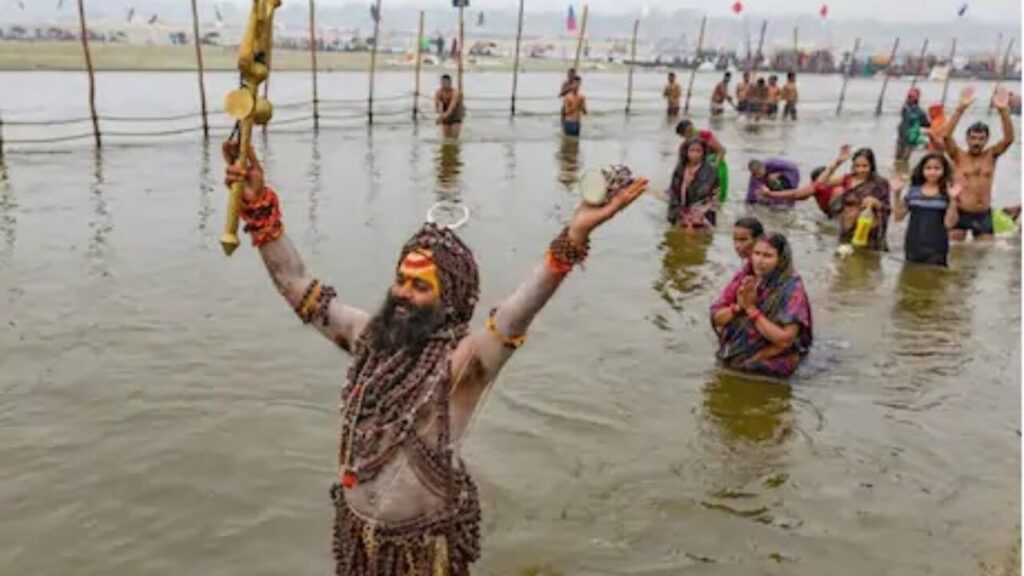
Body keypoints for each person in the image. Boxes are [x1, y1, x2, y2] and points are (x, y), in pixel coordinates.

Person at [222, 141, 648, 576]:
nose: (404, 293)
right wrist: (259, 206)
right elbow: (296, 285)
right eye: (401, 281)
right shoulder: (369, 340)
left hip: (423, 553)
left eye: (420, 286)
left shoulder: (462, 366)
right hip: (357, 542)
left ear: (451, 303)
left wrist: (574, 235)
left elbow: (518, 313)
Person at [710, 233, 813, 378]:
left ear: (781, 260)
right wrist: (738, 307)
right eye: (756, 254)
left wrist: (751, 309)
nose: (759, 261)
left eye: (767, 256)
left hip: (770, 359)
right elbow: (716, 318)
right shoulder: (746, 277)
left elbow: (785, 340)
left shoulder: (791, 289)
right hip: (735, 353)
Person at [942, 86, 1016, 241]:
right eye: (973, 138)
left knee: (984, 253)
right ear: (967, 139)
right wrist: (960, 109)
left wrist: (1003, 111)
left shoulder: (991, 155)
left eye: (981, 138)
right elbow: (946, 136)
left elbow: (1009, 139)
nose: (976, 142)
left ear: (986, 140)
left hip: (983, 213)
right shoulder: (957, 155)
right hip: (960, 211)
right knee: (956, 253)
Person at [889, 153, 962, 267]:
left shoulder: (947, 193)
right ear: (922, 170)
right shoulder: (913, 191)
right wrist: (897, 193)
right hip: (913, 246)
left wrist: (953, 200)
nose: (932, 172)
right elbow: (898, 217)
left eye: (937, 168)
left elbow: (949, 224)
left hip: (937, 249)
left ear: (944, 170)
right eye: (928, 168)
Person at [817, 145, 892, 250]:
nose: (860, 170)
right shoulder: (848, 179)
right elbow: (820, 183)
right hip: (847, 228)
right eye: (857, 166)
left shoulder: (880, 183)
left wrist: (875, 202)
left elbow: (887, 209)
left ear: (872, 165)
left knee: (865, 263)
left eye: (865, 166)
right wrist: (837, 162)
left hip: (867, 231)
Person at [667, 138, 720, 230]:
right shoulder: (680, 169)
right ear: (686, 152)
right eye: (692, 150)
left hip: (701, 215)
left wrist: (689, 184)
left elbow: (706, 194)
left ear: (703, 153)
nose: (695, 154)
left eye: (698, 151)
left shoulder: (710, 171)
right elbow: (673, 192)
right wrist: (677, 212)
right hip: (680, 213)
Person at [757, 165, 844, 219]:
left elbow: (796, 195)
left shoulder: (839, 186)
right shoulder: (818, 187)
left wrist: (770, 194)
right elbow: (797, 195)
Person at [675, 119, 729, 202]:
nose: (692, 133)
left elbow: (721, 150)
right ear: (682, 135)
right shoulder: (684, 146)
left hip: (717, 166)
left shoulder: (705, 135)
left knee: (718, 196)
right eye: (688, 132)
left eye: (692, 129)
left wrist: (714, 166)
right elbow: (683, 165)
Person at [896, 88, 930, 164]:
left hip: (911, 138)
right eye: (908, 96)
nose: (909, 98)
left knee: (904, 160)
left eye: (911, 96)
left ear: (917, 98)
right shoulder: (905, 107)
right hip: (902, 136)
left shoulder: (919, 111)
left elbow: (926, 124)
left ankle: (903, 173)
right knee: (897, 158)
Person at [434, 74, 464, 139]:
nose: (444, 85)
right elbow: (437, 106)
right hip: (445, 112)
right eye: (443, 83)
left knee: (454, 138)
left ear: (450, 83)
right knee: (447, 138)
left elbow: (451, 107)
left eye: (446, 83)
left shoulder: (455, 93)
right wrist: (440, 114)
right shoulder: (439, 92)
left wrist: (442, 117)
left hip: (456, 113)